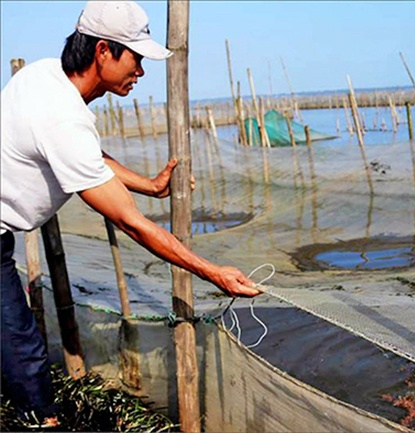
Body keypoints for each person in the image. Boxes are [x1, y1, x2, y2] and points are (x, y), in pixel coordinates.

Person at [0, 0, 261, 426]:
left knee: (17, 344)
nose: (140, 71)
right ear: (103, 51)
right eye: (136, 58)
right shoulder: (62, 117)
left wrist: (150, 185)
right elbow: (131, 223)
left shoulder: (43, 75)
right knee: (23, 351)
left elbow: (88, 157)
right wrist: (213, 272)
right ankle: (43, 421)